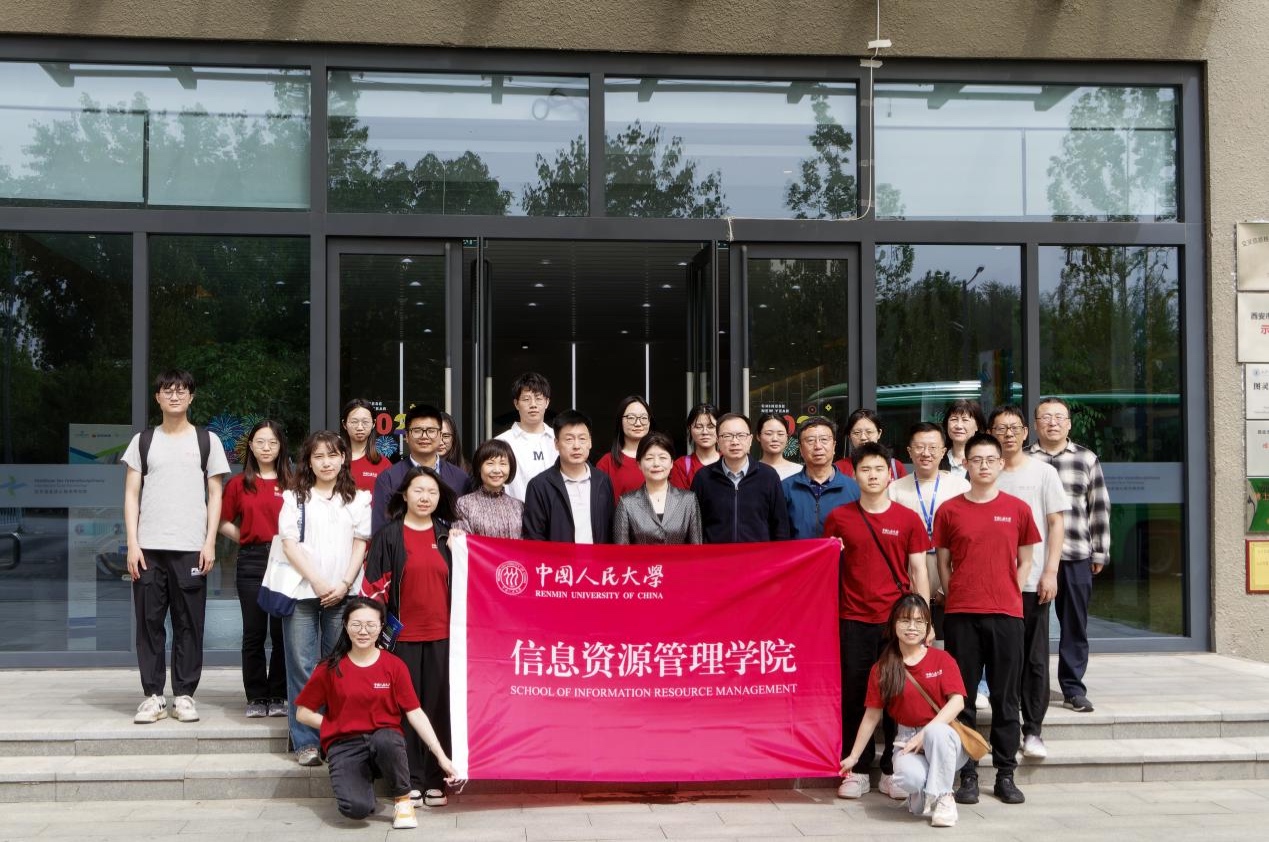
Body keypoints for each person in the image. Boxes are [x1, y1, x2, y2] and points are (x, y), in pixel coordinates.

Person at [933, 432, 1040, 806]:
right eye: (976, 459)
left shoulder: (1018, 509)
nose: (983, 465)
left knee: (1005, 696)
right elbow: (943, 563)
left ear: (1000, 464)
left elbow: (1025, 560)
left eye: (990, 460)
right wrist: (955, 594)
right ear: (966, 464)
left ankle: (1006, 773)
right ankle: (967, 774)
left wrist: (1011, 590)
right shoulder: (949, 510)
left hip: (1006, 614)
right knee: (961, 698)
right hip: (962, 615)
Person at [122, 369, 231, 724]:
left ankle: (184, 695)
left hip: (190, 548)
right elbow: (131, 494)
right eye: (167, 390)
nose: (174, 395)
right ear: (157, 397)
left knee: (189, 624)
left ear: (191, 397)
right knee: (149, 624)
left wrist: (209, 541)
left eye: (181, 390)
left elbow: (215, 494)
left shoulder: (207, 441)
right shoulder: (143, 441)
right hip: (148, 549)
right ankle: (153, 696)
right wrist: (132, 544)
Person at [824, 442, 930, 801]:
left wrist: (923, 621)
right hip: (853, 618)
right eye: (865, 469)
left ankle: (892, 769)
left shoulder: (908, 519)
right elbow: (826, 567)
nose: (872, 475)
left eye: (879, 469)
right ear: (854, 475)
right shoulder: (839, 518)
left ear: (890, 474)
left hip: (897, 623)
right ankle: (856, 769)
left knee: (897, 695)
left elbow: (919, 570)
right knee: (855, 694)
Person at [295, 597, 458, 830]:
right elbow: (303, 713)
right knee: (356, 809)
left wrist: (442, 757)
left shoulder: (394, 666)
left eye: (371, 625)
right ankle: (361, 781)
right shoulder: (329, 668)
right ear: (345, 625)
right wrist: (335, 725)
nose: (363, 631)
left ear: (381, 627)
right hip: (345, 743)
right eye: (356, 624)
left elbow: (415, 713)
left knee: (387, 740)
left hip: (385, 741)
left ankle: (403, 800)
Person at [362, 467, 456, 808]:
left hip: (443, 638)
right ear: (405, 494)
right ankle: (410, 779)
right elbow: (373, 589)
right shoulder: (389, 536)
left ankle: (436, 779)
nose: (425, 497)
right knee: (406, 708)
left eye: (432, 492)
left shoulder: (448, 537)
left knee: (438, 707)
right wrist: (374, 634)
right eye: (418, 490)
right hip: (401, 638)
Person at [279, 430, 372, 766]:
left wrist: (344, 583)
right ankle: (306, 741)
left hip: (343, 595)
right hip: (303, 592)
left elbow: (361, 543)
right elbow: (289, 544)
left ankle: (334, 737)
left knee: (337, 667)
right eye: (318, 456)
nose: (326, 462)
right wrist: (318, 582)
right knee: (302, 665)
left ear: (343, 458)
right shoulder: (294, 497)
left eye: (332, 455)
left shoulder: (358, 499)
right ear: (308, 461)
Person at [840, 595, 967, 829]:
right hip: (906, 739)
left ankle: (945, 798)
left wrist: (924, 734)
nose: (912, 627)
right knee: (908, 778)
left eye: (919, 621)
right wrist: (854, 757)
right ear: (893, 624)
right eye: (905, 620)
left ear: (928, 626)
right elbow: (871, 716)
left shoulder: (941, 659)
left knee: (936, 733)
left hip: (944, 738)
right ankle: (923, 790)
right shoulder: (883, 668)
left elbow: (957, 702)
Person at [987, 404, 1069, 761]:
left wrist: (1050, 571)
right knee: (1003, 659)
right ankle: (1004, 726)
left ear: (1025, 432)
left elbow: (1056, 524)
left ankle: (1033, 729)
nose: (1008, 434)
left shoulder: (1043, 472)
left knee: (1034, 659)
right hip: (993, 584)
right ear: (990, 433)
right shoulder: (985, 471)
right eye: (1000, 428)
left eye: (1014, 428)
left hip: (1033, 582)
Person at [1028, 397, 1111, 714]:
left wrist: (1100, 551)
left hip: (1075, 554)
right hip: (1034, 557)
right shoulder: (1024, 459)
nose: (1053, 422)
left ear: (1069, 424)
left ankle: (1073, 689)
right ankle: (1030, 688)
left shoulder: (1086, 459)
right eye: (1045, 417)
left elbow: (1098, 506)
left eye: (1059, 417)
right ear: (1035, 424)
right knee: (1030, 627)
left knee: (1074, 625)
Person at [219, 419, 293, 718]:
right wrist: (247, 538)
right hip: (252, 561)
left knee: (281, 632)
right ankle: (256, 696)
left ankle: (278, 694)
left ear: (281, 446)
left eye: (272, 442)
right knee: (253, 631)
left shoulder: (293, 483)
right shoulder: (239, 483)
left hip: (286, 562)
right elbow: (222, 521)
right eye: (260, 442)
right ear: (250, 445)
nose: (266, 448)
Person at [889, 422, 970, 639]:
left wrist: (945, 589)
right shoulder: (895, 489)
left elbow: (967, 542)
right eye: (919, 447)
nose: (926, 453)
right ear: (909, 451)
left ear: (943, 451)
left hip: (951, 581)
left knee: (949, 645)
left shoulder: (961, 487)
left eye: (933, 447)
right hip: (909, 581)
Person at [691, 412, 790, 543]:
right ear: (718, 440)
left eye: (741, 435)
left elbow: (780, 527)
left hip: (758, 555)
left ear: (750, 439)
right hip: (716, 555)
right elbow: (694, 527)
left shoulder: (768, 476)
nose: (735, 442)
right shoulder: (703, 477)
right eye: (727, 436)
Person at [372, 404, 467, 534]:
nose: (424, 436)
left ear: (440, 435)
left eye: (431, 430)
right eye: (417, 430)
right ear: (406, 436)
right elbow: (380, 532)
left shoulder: (460, 478)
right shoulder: (388, 478)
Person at [522, 410, 615, 543]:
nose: (576, 446)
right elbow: (534, 538)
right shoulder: (539, 485)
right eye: (569, 439)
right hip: (558, 557)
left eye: (582, 439)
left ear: (590, 442)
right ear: (556, 444)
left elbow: (611, 531)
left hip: (597, 557)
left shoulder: (603, 481)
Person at [613, 431, 703, 544]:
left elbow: (696, 548)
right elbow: (621, 551)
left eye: (662, 457)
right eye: (649, 458)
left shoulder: (688, 500)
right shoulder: (626, 503)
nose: (656, 463)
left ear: (671, 463)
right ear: (639, 464)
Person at [783, 416, 861, 539]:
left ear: (834, 446)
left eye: (824, 439)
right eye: (810, 440)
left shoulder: (854, 489)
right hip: (799, 552)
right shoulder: (785, 488)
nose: (818, 446)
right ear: (801, 449)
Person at [495, 372, 555, 502]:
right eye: (526, 399)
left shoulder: (559, 440)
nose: (533, 404)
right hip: (515, 513)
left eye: (538, 398)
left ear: (547, 402)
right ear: (516, 403)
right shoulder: (502, 442)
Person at [452, 439, 524, 539]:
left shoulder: (519, 507)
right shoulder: (464, 504)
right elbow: (462, 542)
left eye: (503, 464)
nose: (497, 470)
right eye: (490, 463)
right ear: (479, 467)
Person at [596, 395, 654, 502]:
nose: (638, 423)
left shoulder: (661, 459)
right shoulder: (607, 462)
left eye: (643, 418)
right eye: (631, 418)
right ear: (620, 421)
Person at [835, 408, 907, 480]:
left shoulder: (896, 467)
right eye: (857, 433)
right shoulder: (838, 468)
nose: (863, 437)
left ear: (879, 433)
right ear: (849, 436)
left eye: (869, 432)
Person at [341, 398, 390, 494]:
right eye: (354, 422)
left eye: (365, 422)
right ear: (344, 424)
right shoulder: (335, 460)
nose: (360, 427)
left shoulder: (384, 464)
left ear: (373, 423)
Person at [669, 402, 720, 489]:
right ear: (690, 429)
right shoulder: (681, 466)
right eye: (698, 427)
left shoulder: (729, 461)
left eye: (711, 426)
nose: (705, 432)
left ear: (720, 428)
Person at [941, 399, 986, 479]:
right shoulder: (938, 458)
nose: (959, 426)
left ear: (977, 426)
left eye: (965, 420)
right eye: (954, 419)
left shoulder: (985, 460)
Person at [757, 413, 801, 480]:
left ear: (787, 437)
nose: (775, 439)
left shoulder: (799, 471)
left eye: (780, 434)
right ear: (758, 436)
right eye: (769, 434)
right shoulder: (750, 470)